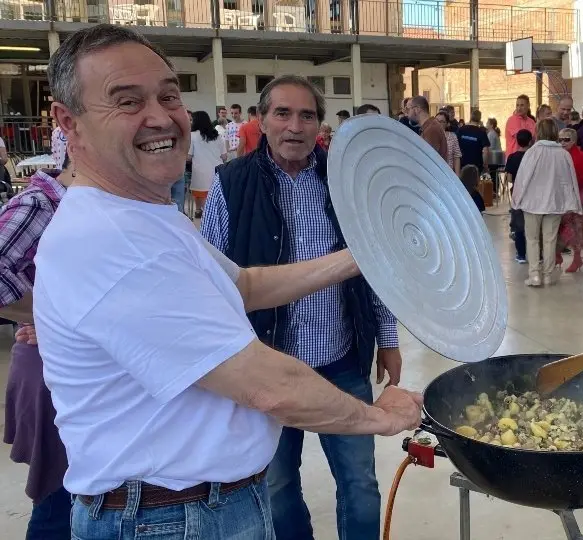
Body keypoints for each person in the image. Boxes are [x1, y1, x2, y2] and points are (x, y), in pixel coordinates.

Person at [36, 24, 422, 540]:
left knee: (353, 485)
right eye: (127, 101)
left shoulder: (146, 216)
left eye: (169, 95)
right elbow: (267, 386)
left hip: (200, 506)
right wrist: (379, 418)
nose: (160, 116)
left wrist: (361, 257)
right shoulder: (110, 240)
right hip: (167, 520)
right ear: (69, 123)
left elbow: (241, 284)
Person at [202, 74, 402, 540]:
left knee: (360, 483)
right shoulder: (230, 185)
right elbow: (212, 283)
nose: (295, 126)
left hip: (342, 360)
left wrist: (388, 340)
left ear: (320, 125)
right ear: (261, 120)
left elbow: (375, 267)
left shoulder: (346, 183)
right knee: (276, 484)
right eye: (282, 113)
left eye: (307, 115)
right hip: (267, 366)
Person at [2, 157, 72, 539]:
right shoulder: (40, 204)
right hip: (47, 373)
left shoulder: (87, 205)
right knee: (59, 501)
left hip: (66, 369)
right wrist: (52, 317)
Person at [512, 119, 581, 287]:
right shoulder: (563, 154)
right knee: (550, 240)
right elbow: (570, 179)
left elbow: (522, 178)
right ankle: (548, 275)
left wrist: (516, 200)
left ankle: (534, 274)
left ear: (538, 132)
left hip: (532, 202)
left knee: (533, 239)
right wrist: (573, 202)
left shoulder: (532, 153)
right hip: (555, 202)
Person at [557, 127, 583, 273]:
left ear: (574, 140)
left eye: (567, 139)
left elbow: (581, 178)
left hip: (576, 197)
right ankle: (557, 255)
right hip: (560, 197)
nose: (563, 142)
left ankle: (577, 258)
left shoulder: (581, 156)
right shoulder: (558, 155)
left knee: (576, 230)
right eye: (560, 140)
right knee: (557, 228)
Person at [188, 110, 227, 219]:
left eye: (192, 120)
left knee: (200, 193)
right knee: (215, 195)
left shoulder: (192, 136)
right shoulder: (217, 135)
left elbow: (189, 156)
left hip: (200, 171)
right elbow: (224, 156)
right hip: (217, 171)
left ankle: (203, 213)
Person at [505, 129, 532, 263]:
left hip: (517, 192)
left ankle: (521, 254)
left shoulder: (512, 157)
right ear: (531, 140)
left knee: (519, 224)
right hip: (533, 192)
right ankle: (537, 254)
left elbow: (509, 179)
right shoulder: (533, 156)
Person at [436, 110, 462, 174]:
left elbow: (456, 157)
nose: (438, 124)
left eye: (442, 122)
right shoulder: (430, 136)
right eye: (436, 121)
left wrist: (457, 177)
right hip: (434, 173)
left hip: (448, 173)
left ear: (447, 124)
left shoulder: (453, 137)